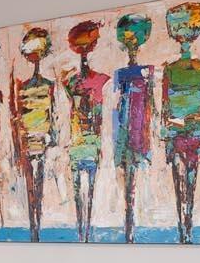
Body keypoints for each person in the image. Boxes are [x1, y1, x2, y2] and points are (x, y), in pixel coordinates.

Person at [159, 1, 200, 243]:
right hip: (184, 130)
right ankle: (185, 227)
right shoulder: (174, 69)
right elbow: (166, 106)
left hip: (183, 130)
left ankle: (186, 226)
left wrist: (178, 122)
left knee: (185, 178)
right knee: (184, 178)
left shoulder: (196, 68)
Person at [60, 20, 110, 242]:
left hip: (87, 141)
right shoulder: (76, 81)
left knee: (86, 190)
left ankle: (85, 234)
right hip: (80, 140)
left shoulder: (94, 80)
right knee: (82, 190)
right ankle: (83, 234)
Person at [110, 13, 155, 243]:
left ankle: (131, 230)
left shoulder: (147, 72)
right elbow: (116, 107)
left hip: (138, 132)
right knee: (127, 182)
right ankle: (128, 229)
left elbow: (151, 106)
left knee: (133, 183)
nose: (132, 48)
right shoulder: (121, 74)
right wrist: (117, 139)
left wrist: (145, 137)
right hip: (125, 134)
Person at [9, 26, 56, 241]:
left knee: (39, 183)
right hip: (28, 138)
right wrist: (19, 145)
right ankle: (32, 228)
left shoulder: (49, 85)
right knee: (30, 184)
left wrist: (51, 136)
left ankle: (36, 226)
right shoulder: (23, 86)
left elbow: (51, 112)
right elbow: (18, 116)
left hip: (42, 136)